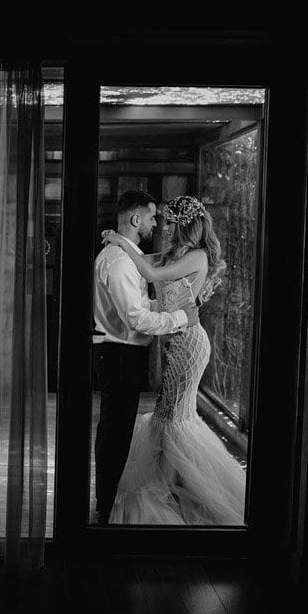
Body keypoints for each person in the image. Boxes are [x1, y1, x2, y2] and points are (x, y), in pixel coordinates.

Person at [101, 195, 246, 526]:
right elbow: (142, 259)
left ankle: (167, 492)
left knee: (172, 416)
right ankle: (172, 489)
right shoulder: (173, 255)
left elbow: (149, 272)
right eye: (161, 221)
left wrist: (116, 240)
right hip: (173, 341)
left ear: (183, 225)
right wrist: (120, 243)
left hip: (190, 343)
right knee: (171, 415)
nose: (162, 227)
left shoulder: (197, 256)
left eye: (168, 222)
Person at [92, 190, 200, 526]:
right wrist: (182, 318)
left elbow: (142, 303)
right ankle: (105, 505)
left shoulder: (125, 256)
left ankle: (105, 499)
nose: (157, 224)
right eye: (153, 217)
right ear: (136, 219)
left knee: (116, 428)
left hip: (122, 353)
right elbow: (136, 319)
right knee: (115, 430)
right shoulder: (120, 262)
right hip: (121, 354)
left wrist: (165, 310)